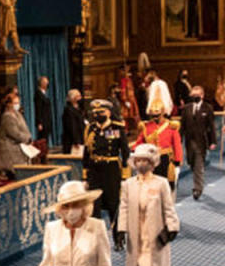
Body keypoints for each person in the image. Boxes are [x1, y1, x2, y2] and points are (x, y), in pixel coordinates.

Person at [118, 144, 180, 266]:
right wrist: (121, 230)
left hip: (155, 235)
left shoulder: (160, 183)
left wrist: (172, 228)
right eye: (138, 160)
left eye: (145, 160)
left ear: (152, 163)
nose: (141, 164)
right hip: (136, 234)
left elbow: (169, 208)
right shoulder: (128, 184)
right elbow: (123, 208)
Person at [83, 99, 129, 250]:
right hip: (95, 170)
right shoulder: (90, 129)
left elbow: (125, 152)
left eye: (101, 112)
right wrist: (85, 176)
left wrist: (125, 176)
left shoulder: (117, 128)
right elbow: (86, 153)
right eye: (95, 113)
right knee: (94, 207)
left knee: (113, 205)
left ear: (108, 112)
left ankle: (118, 238)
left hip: (112, 170)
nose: (98, 115)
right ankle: (96, 241)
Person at [135, 100, 182, 191]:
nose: (155, 118)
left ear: (163, 113)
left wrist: (177, 159)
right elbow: (139, 142)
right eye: (153, 116)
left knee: (166, 186)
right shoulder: (146, 126)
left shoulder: (170, 126)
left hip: (165, 159)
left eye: (157, 115)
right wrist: (134, 151)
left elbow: (177, 144)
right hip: (150, 159)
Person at [180, 86, 216, 200]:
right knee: (192, 163)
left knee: (198, 165)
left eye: (197, 95)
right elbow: (182, 126)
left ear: (202, 95)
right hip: (189, 142)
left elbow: (211, 126)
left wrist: (213, 141)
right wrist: (178, 139)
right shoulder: (186, 108)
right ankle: (198, 184)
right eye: (193, 96)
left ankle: (197, 188)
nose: (195, 97)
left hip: (201, 142)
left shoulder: (208, 108)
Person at [0, 91, 32, 180]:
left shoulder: (17, 114)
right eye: (15, 103)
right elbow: (15, 133)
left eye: (18, 103)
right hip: (10, 151)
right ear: (9, 104)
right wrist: (26, 139)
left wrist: (28, 138)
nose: (17, 105)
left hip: (19, 148)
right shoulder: (7, 117)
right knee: (15, 176)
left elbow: (24, 129)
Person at [61, 89, 86, 154]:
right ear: (73, 98)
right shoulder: (69, 110)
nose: (80, 98)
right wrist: (76, 140)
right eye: (78, 96)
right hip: (72, 140)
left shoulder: (79, 109)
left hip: (81, 137)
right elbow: (72, 126)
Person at [34, 76, 53, 144]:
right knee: (42, 140)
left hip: (47, 121)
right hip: (43, 121)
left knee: (45, 139)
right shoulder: (38, 94)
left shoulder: (44, 93)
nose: (47, 83)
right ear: (41, 83)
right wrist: (39, 123)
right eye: (45, 82)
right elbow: (38, 109)